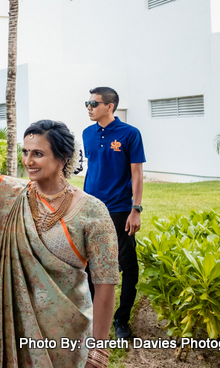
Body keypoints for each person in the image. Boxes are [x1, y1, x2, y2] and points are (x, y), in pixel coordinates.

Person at [0, 120, 118, 368]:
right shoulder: (8, 195)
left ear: (63, 158)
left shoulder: (92, 211)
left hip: (64, 337)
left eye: (38, 154)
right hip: (9, 329)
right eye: (25, 152)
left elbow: (105, 283)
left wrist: (100, 349)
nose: (28, 161)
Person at [82, 86, 145, 340]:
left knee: (127, 265)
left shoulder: (130, 134)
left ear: (110, 106)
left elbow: (137, 174)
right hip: (90, 210)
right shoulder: (87, 133)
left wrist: (136, 209)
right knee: (88, 265)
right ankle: (95, 318)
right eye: (86, 103)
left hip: (120, 210)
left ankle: (121, 320)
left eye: (93, 103)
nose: (89, 107)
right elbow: (91, 169)